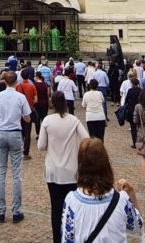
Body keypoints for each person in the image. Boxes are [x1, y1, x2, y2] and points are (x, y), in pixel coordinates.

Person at [61, 138, 145, 242]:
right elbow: (137, 225)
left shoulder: (72, 201)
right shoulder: (121, 200)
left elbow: (67, 239)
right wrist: (131, 193)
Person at [39, 91, 89, 243]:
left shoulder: (47, 121)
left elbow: (41, 145)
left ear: (52, 103)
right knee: (72, 208)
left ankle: (57, 239)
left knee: (56, 208)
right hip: (71, 170)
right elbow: (86, 138)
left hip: (53, 170)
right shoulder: (73, 120)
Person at [0, 70, 31, 224]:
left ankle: (0, 210)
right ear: (16, 82)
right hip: (15, 134)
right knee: (16, 174)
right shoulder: (20, 97)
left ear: (4, 81)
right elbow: (27, 118)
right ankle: (16, 211)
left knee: (0, 173)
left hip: (0, 133)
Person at [14, 72, 38, 157]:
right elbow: (35, 100)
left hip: (19, 111)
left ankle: (19, 147)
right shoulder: (32, 86)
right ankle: (26, 152)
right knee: (28, 131)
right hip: (29, 110)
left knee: (20, 130)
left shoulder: (17, 86)